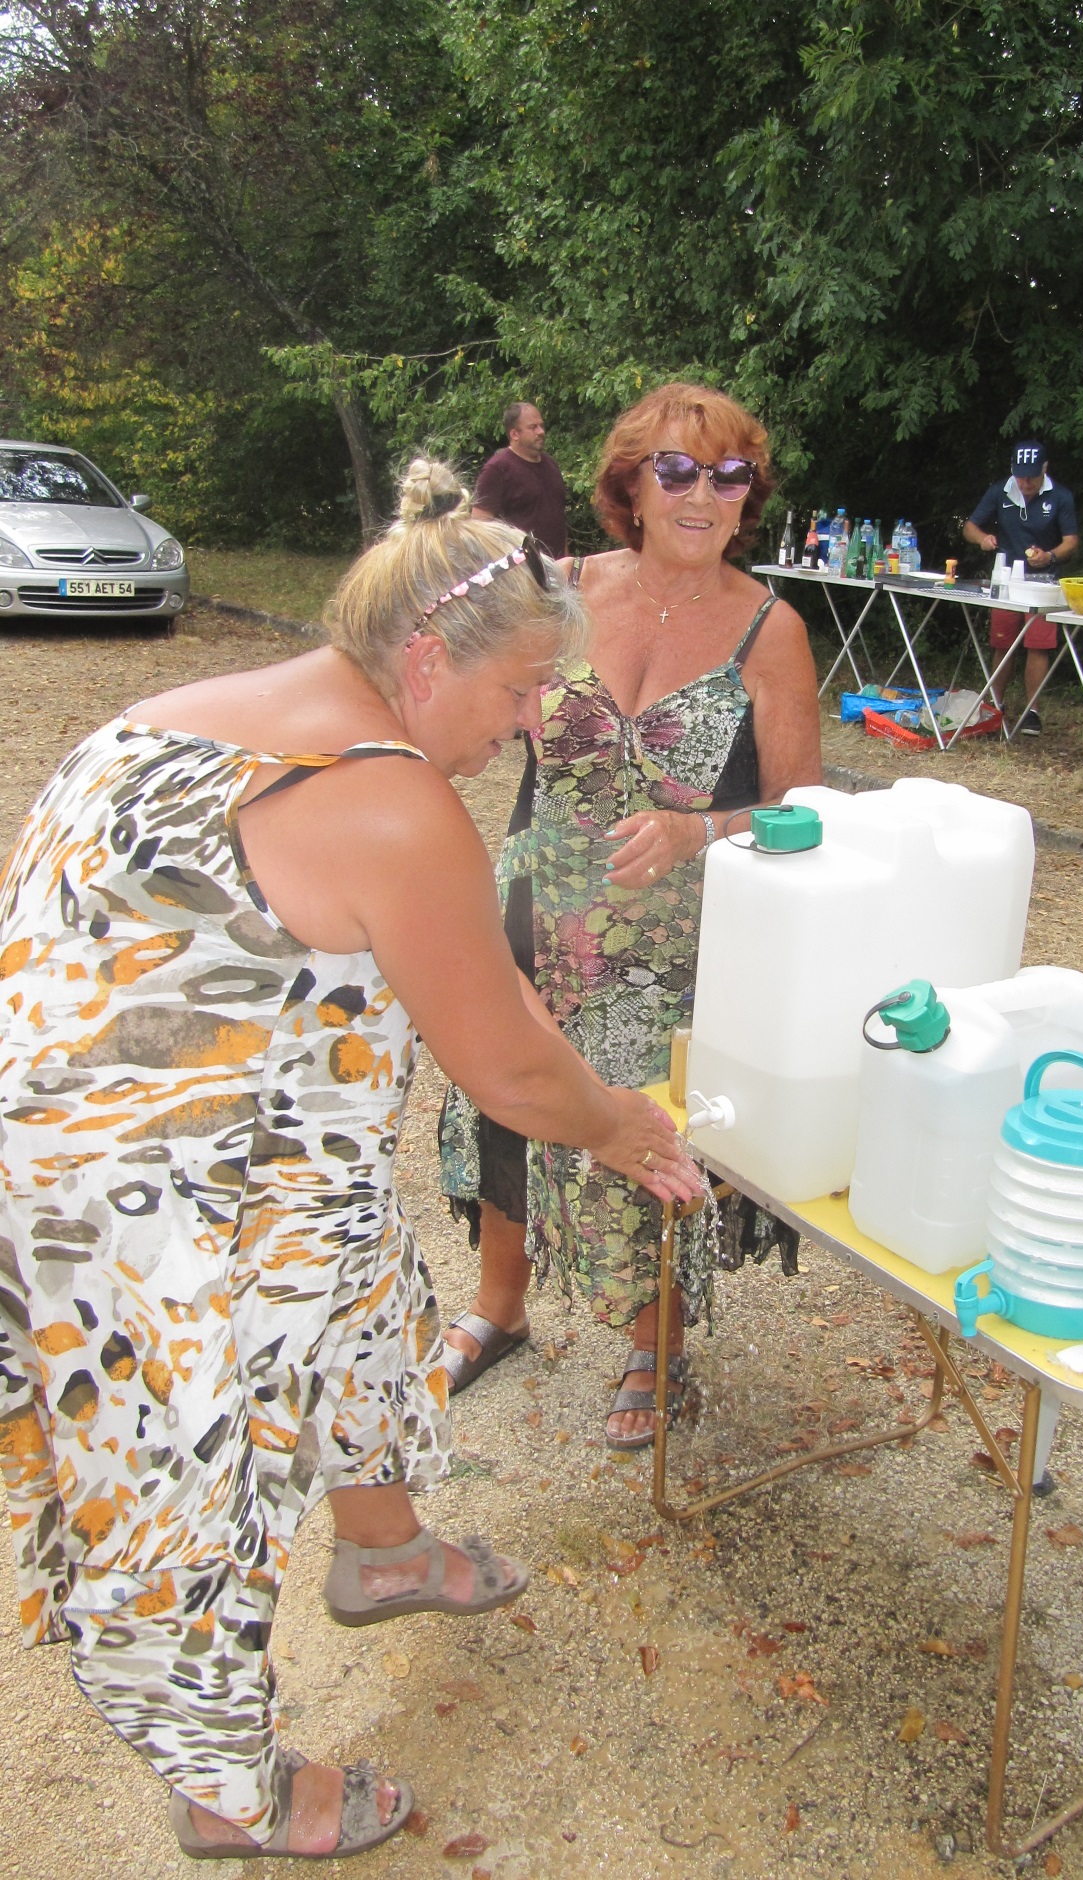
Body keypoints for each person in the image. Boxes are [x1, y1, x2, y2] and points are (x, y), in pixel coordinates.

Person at [0, 458, 699, 1860]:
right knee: (185, 1495)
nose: (525, 726)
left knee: (364, 1296)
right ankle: (233, 1793)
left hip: (239, 1145)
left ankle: (381, 1551)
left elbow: (411, 973)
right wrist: (622, 1126)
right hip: (139, 1215)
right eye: (518, 693)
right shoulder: (389, 800)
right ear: (427, 657)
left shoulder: (176, 715)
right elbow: (507, 1068)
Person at [439, 382, 823, 1448]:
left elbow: (806, 813)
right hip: (532, 904)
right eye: (676, 470)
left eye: (728, 475)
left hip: (671, 948)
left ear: (748, 498)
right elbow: (464, 704)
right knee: (505, 1093)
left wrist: (698, 830)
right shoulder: (557, 588)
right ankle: (500, 1306)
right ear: (631, 486)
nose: (701, 495)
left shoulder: (770, 629)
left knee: (647, 1128)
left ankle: (658, 1344)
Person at [963, 441, 1080, 735]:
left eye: (1032, 477)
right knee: (1002, 643)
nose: (1026, 483)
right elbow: (970, 526)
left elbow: (1071, 541)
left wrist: (1050, 556)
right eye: (1020, 476)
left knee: (1038, 645)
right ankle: (995, 706)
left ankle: (1032, 712)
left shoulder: (1060, 496)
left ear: (1044, 469)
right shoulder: (1000, 491)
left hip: (1044, 582)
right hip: (1007, 580)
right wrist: (982, 539)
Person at [473, 400, 569, 558]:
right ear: (514, 434)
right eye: (533, 427)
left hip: (557, 566)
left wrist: (567, 561)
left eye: (541, 426)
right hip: (521, 568)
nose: (541, 432)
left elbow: (559, 522)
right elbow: (479, 527)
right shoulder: (497, 470)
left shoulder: (551, 465)